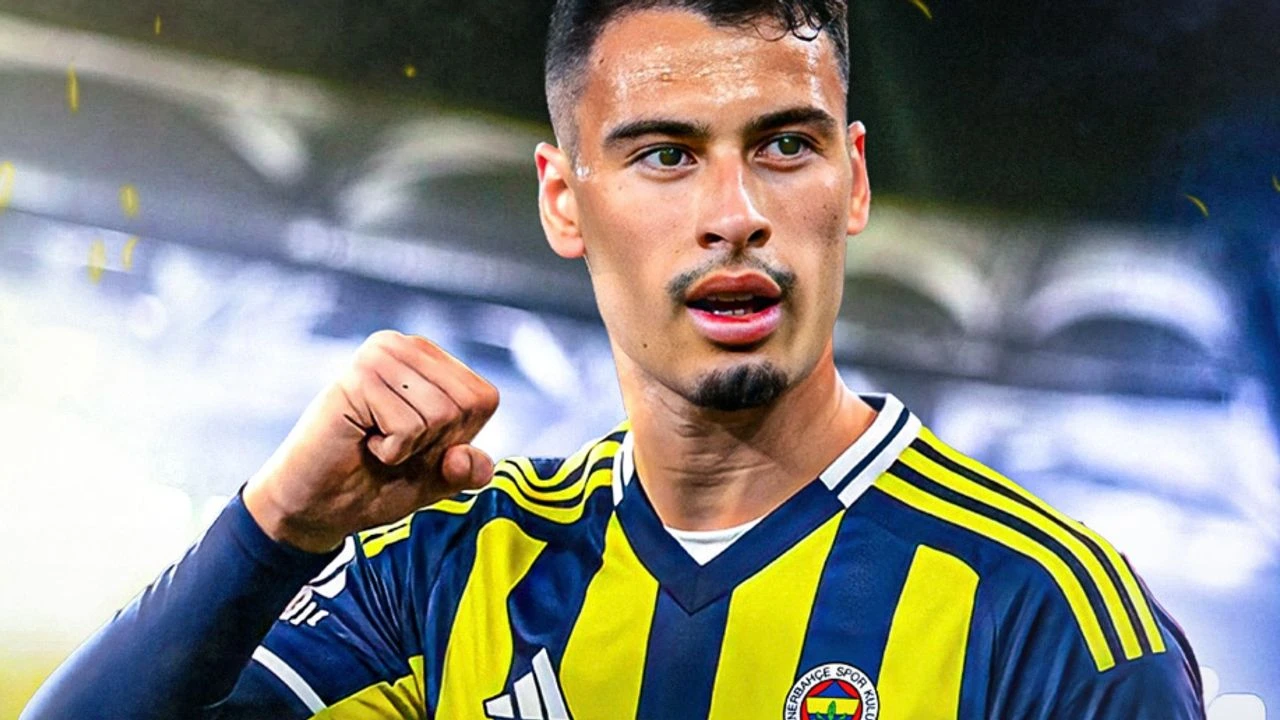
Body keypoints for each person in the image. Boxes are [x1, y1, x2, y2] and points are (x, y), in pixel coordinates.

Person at [24, 1, 1205, 718]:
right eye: (663, 155)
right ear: (563, 199)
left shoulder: (1047, 617)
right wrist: (274, 527)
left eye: (782, 147)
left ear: (850, 180)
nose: (734, 214)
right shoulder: (447, 570)